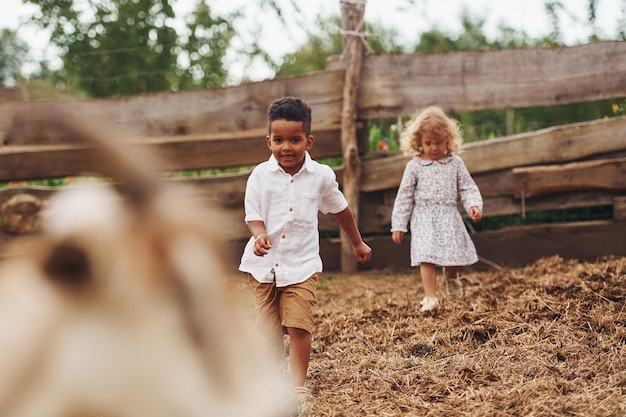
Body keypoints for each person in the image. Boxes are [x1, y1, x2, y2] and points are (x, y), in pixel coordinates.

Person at [239, 96, 372, 412]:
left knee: (299, 327)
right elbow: (253, 214)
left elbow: (340, 210)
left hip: (302, 265)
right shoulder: (259, 176)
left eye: (295, 140)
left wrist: (357, 243)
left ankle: (297, 387)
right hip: (263, 267)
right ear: (268, 140)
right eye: (279, 140)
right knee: (268, 331)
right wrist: (259, 236)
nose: (287, 147)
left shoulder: (321, 176)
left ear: (309, 141)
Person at [390, 105, 482, 312]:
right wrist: (398, 225)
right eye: (428, 143)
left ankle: (451, 277)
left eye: (439, 143)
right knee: (426, 255)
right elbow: (404, 196)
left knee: (453, 255)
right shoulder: (414, 166)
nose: (434, 147)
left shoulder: (455, 163)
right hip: (423, 217)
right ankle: (430, 297)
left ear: (448, 140)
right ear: (419, 142)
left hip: (449, 215)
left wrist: (473, 205)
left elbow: (467, 187)